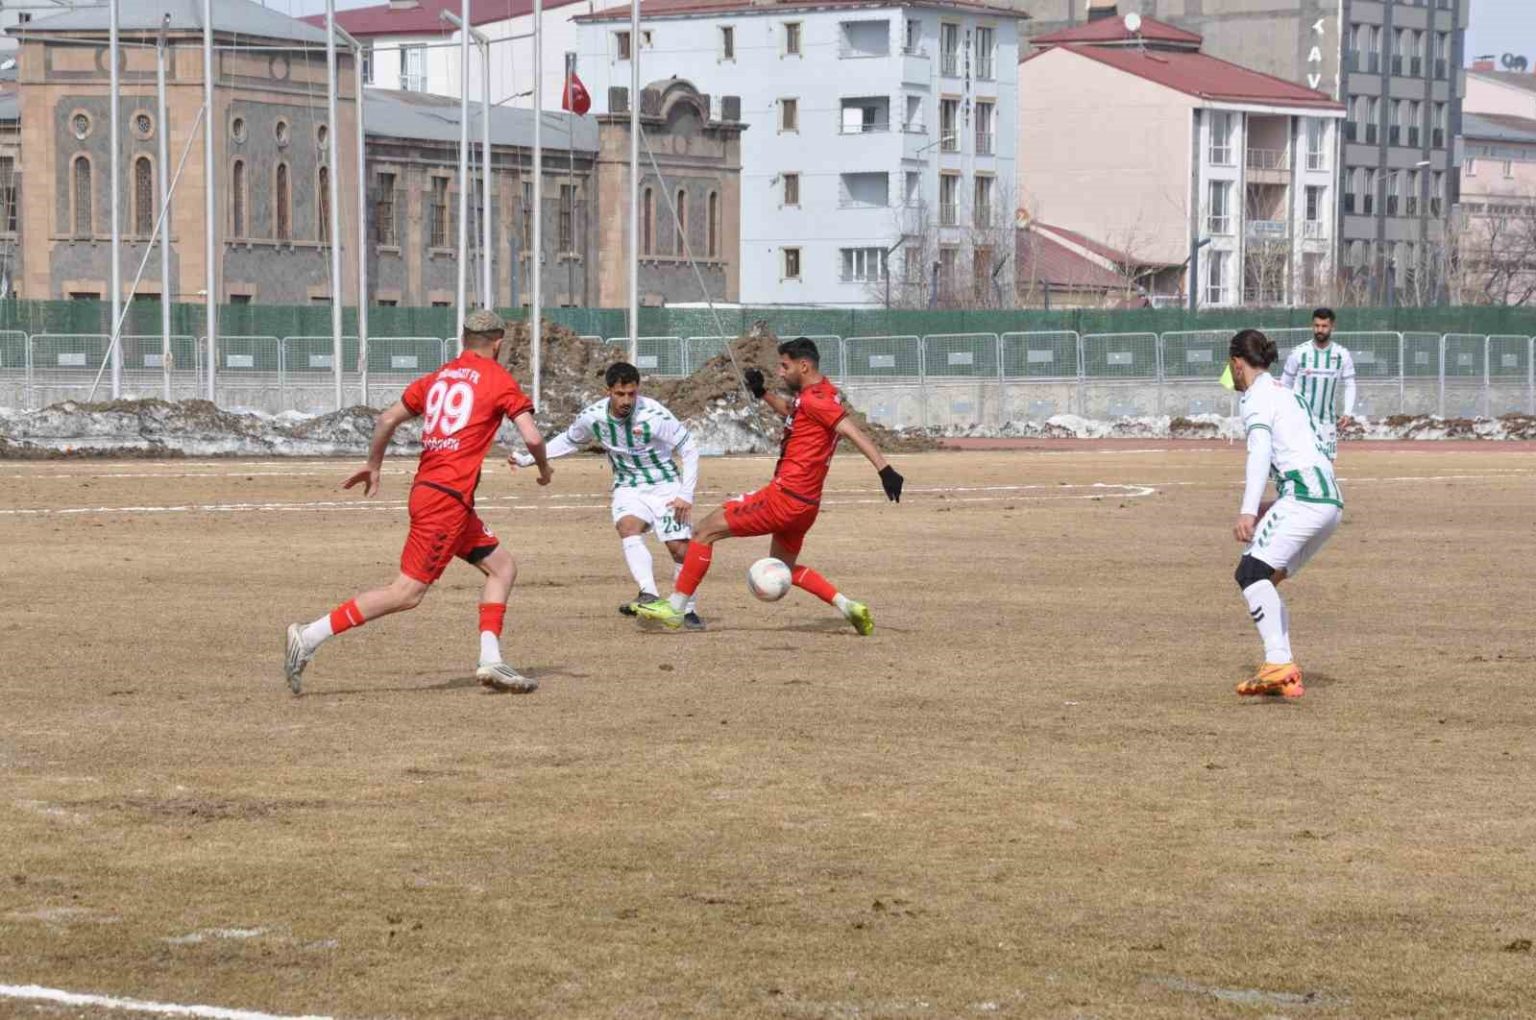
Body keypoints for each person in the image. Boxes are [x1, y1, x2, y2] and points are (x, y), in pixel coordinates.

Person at [284, 310, 553, 695]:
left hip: (437, 493)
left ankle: (491, 659)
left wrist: (373, 466)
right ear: (498, 343)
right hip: (446, 501)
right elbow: (533, 437)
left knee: (502, 568)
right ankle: (309, 635)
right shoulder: (498, 378)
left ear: (463, 340)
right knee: (407, 593)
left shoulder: (439, 376)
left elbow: (386, 419)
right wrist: (543, 468)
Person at [632, 337, 904, 635]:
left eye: (785, 366)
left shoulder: (816, 401)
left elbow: (851, 430)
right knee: (782, 567)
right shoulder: (819, 393)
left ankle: (676, 608)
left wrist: (885, 470)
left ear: (804, 365)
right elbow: (792, 412)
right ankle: (848, 605)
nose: (780, 371)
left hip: (784, 498)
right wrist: (762, 393)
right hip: (806, 507)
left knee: (703, 531)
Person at [514, 361, 705, 630]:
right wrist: (528, 459)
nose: (626, 400)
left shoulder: (654, 415)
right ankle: (649, 594)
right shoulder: (593, 416)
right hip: (628, 486)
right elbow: (568, 439)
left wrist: (686, 493)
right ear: (608, 392)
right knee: (627, 526)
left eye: (631, 394)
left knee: (680, 550)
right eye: (620, 394)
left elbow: (689, 447)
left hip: (666, 486)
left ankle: (687, 609)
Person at [1228, 329, 1343, 699]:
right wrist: (1275, 503)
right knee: (1267, 577)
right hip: (1329, 501)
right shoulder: (1289, 393)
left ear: (1237, 363)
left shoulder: (1255, 397)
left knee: (1250, 573)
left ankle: (1278, 661)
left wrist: (1248, 511)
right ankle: (1285, 673)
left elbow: (1260, 452)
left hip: (1304, 498)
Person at [1280, 307, 1356, 461]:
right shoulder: (1299, 353)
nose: (1319, 330)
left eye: (1324, 326)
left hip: (1327, 422)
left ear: (1332, 327)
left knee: (1326, 464)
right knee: (1300, 463)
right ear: (1312, 326)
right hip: (1301, 421)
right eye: (1316, 325)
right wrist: (1283, 412)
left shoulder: (1342, 355)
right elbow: (1284, 384)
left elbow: (1350, 385)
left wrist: (1347, 412)